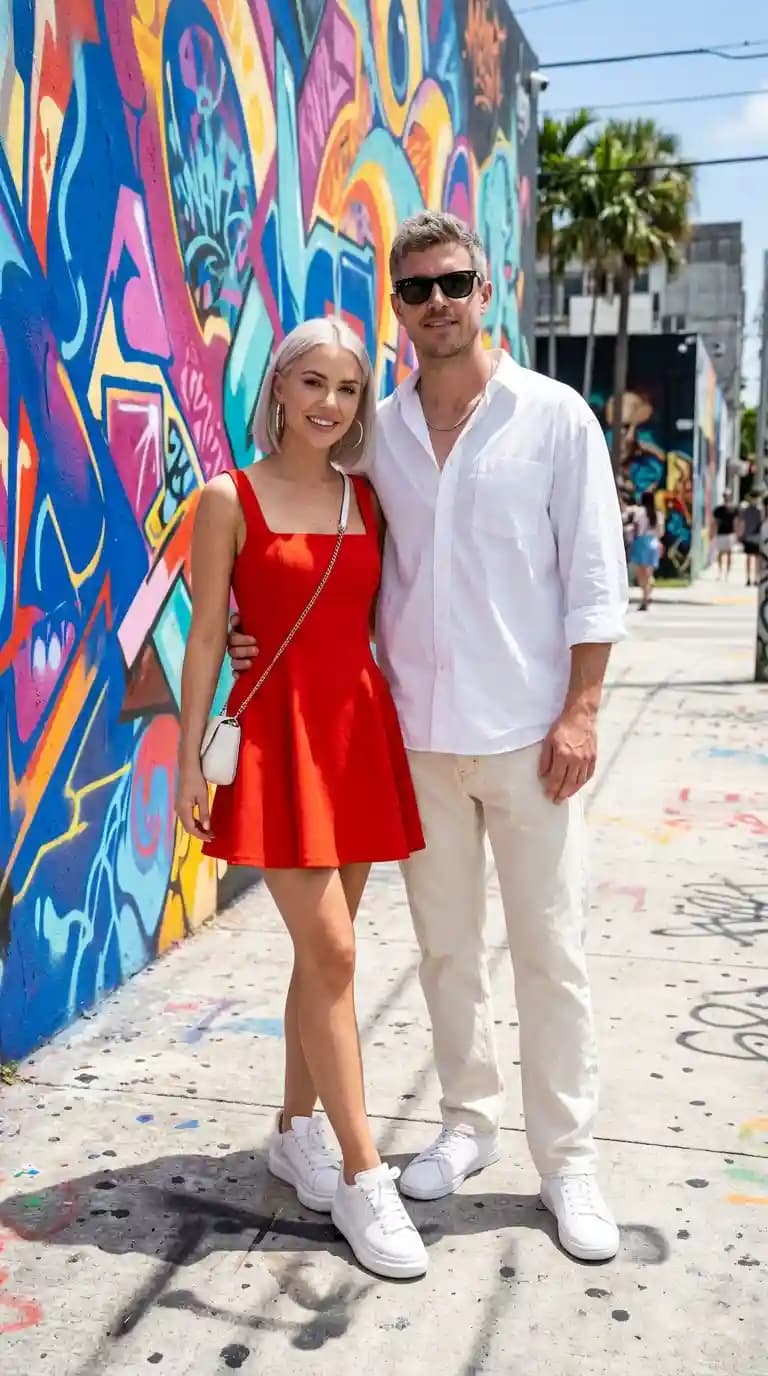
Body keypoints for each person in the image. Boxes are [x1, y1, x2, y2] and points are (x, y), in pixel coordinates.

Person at [228, 212, 629, 1263]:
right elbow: (331, 566)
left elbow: (595, 577)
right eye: (416, 289)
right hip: (412, 739)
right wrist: (241, 627)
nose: (438, 301)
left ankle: (567, 1159)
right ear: (397, 311)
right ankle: (467, 1123)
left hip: (532, 733)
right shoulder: (379, 437)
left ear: (483, 286)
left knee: (551, 952)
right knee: (447, 950)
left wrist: (583, 708)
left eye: (453, 280)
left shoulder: (555, 417)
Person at [176, 316, 428, 1281]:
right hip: (276, 744)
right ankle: (365, 1176)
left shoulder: (368, 499)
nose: (329, 404)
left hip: (356, 738)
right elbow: (207, 636)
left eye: (348, 389)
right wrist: (196, 758)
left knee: (320, 961)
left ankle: (294, 1129)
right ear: (278, 387)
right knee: (332, 948)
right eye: (312, 383)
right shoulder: (226, 498)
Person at [628, 490, 664, 611]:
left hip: (641, 543)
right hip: (653, 543)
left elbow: (636, 529)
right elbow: (661, 532)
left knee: (641, 574)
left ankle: (645, 598)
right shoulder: (658, 514)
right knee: (649, 573)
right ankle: (648, 590)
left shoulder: (639, 512)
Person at [737, 491, 763, 586]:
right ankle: (755, 578)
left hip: (750, 537)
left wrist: (740, 535)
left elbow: (742, 524)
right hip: (756, 537)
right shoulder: (760, 510)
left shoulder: (746, 510)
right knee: (756, 559)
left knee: (750, 558)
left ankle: (749, 578)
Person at [712, 490, 738, 578]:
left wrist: (736, 535)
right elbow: (715, 523)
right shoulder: (718, 509)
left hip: (730, 534)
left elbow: (735, 522)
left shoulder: (734, 509)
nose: (726, 498)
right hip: (720, 534)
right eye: (725, 496)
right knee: (720, 553)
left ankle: (727, 573)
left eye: (728, 496)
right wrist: (713, 534)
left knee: (729, 553)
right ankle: (720, 572)